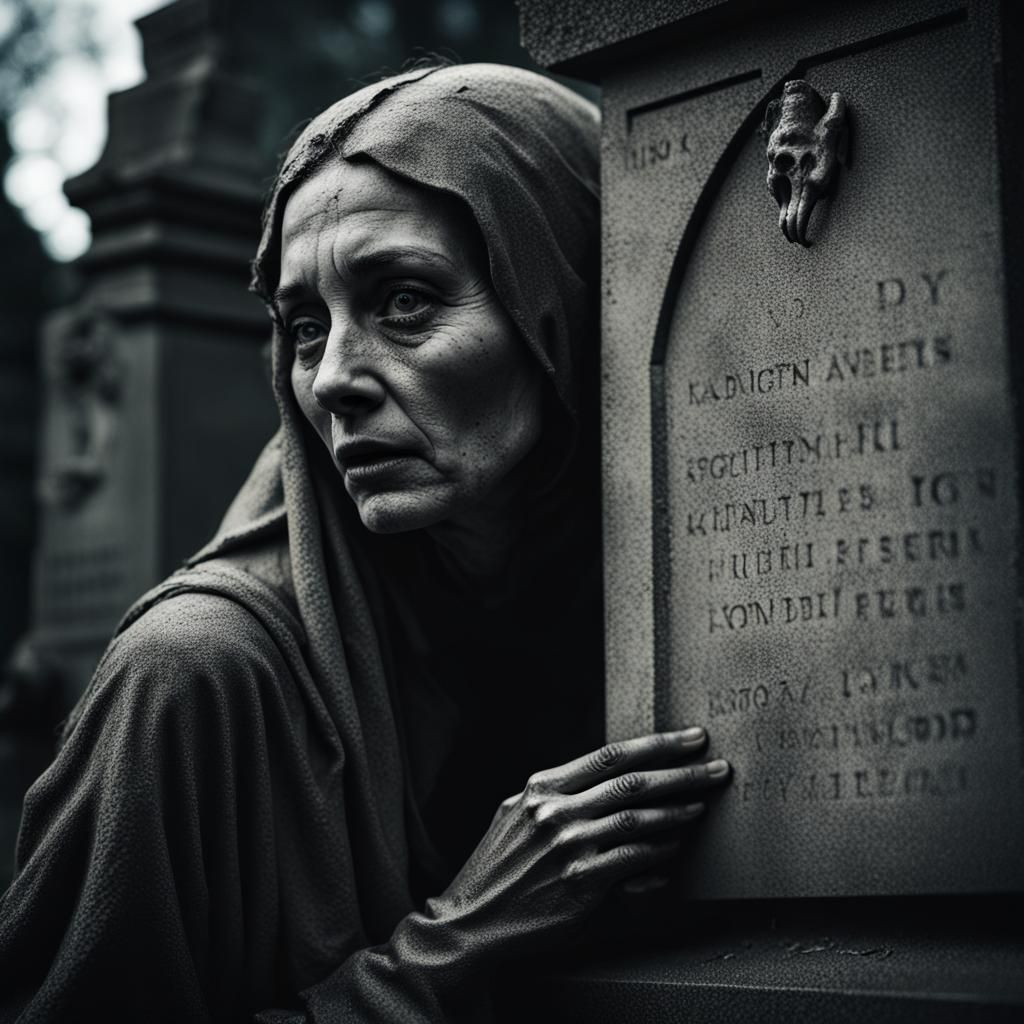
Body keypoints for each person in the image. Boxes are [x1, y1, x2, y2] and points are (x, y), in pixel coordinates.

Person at [0, 63, 730, 1022]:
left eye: (403, 301)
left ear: (570, 299)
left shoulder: (694, 607)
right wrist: (457, 944)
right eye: (305, 327)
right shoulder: (187, 681)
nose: (331, 378)